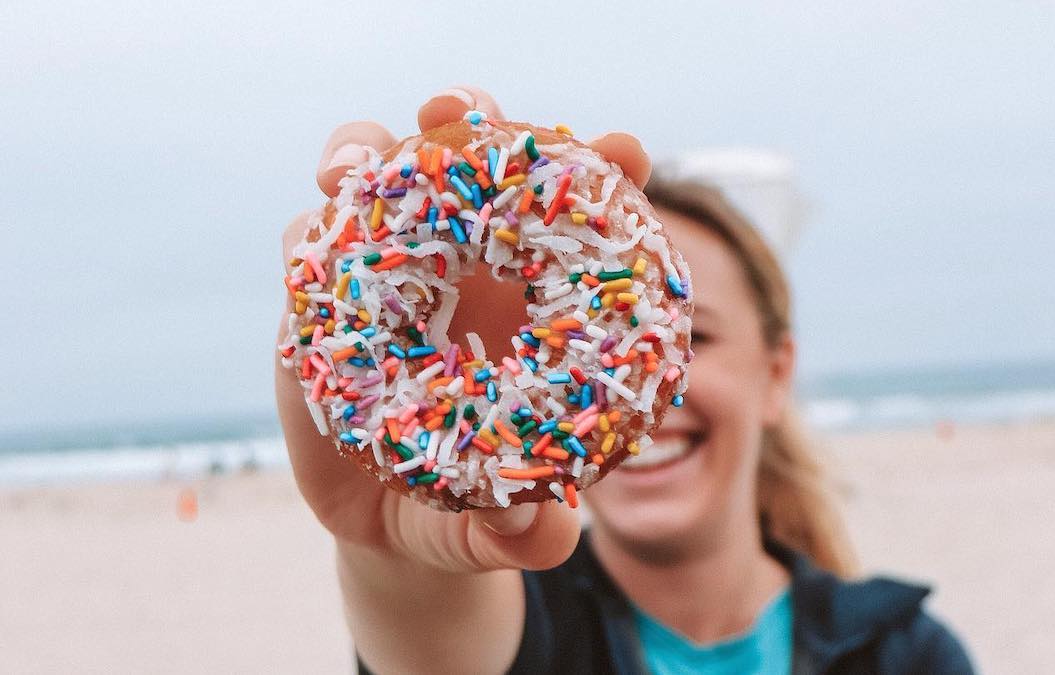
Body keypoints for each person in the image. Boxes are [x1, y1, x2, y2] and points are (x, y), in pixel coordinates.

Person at [277, 87, 975, 675]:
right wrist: (387, 554)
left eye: (691, 336)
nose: (657, 384)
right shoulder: (535, 628)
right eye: (604, 338)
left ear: (776, 373)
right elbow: (438, 644)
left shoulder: (903, 653)